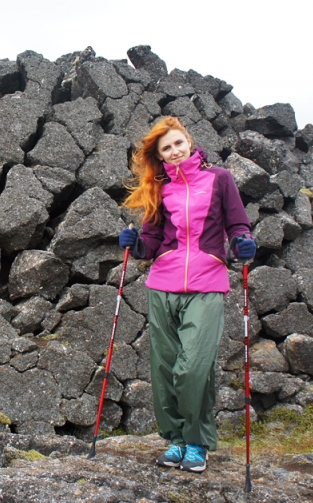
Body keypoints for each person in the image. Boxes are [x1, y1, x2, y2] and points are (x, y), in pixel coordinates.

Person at [118, 116, 256, 473]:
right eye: (167, 148)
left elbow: (237, 223)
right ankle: (177, 441)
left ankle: (197, 442)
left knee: (193, 368)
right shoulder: (159, 188)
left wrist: (242, 242)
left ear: (189, 142)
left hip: (207, 283)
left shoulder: (220, 179)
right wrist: (136, 244)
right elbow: (151, 241)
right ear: (160, 156)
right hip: (162, 285)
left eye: (178, 143)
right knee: (164, 370)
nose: (175, 151)